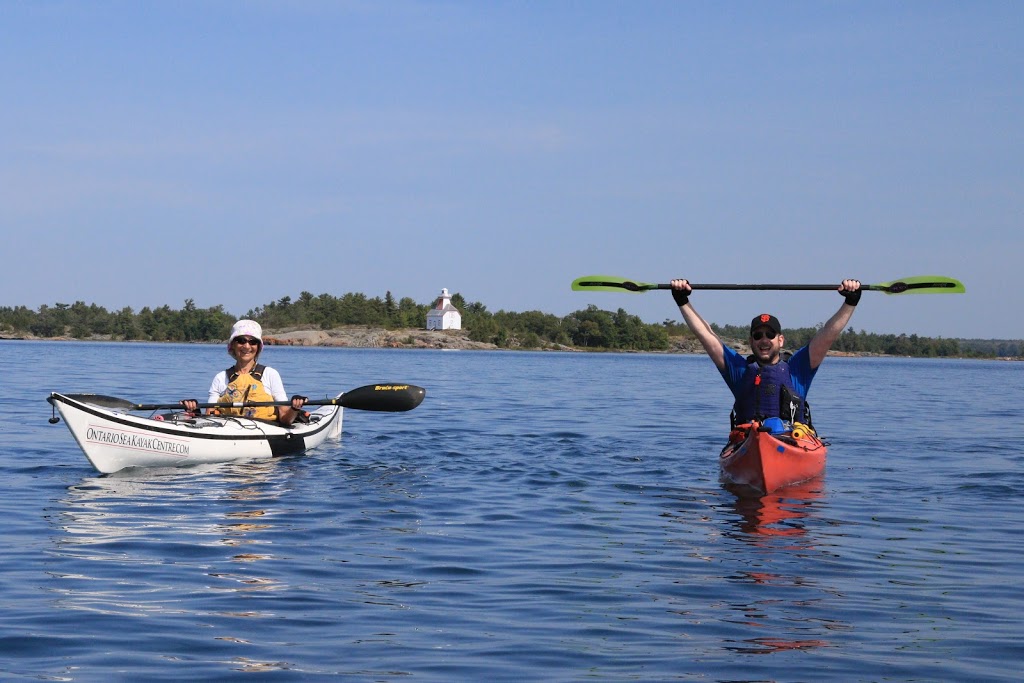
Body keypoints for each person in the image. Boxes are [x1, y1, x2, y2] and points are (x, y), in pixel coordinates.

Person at [669, 278, 862, 428]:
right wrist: (682, 299)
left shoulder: (798, 368)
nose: (764, 340)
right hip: (749, 441)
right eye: (758, 335)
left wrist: (851, 301)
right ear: (751, 341)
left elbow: (828, 334)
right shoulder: (739, 371)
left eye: (770, 334)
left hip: (792, 440)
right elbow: (705, 334)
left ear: (780, 340)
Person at [181, 319, 307, 425]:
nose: (247, 346)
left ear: (258, 347)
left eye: (252, 342)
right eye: (241, 340)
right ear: (233, 345)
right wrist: (195, 411)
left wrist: (295, 408)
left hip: (265, 432)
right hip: (228, 432)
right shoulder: (220, 378)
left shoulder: (270, 374)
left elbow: (285, 419)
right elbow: (210, 415)